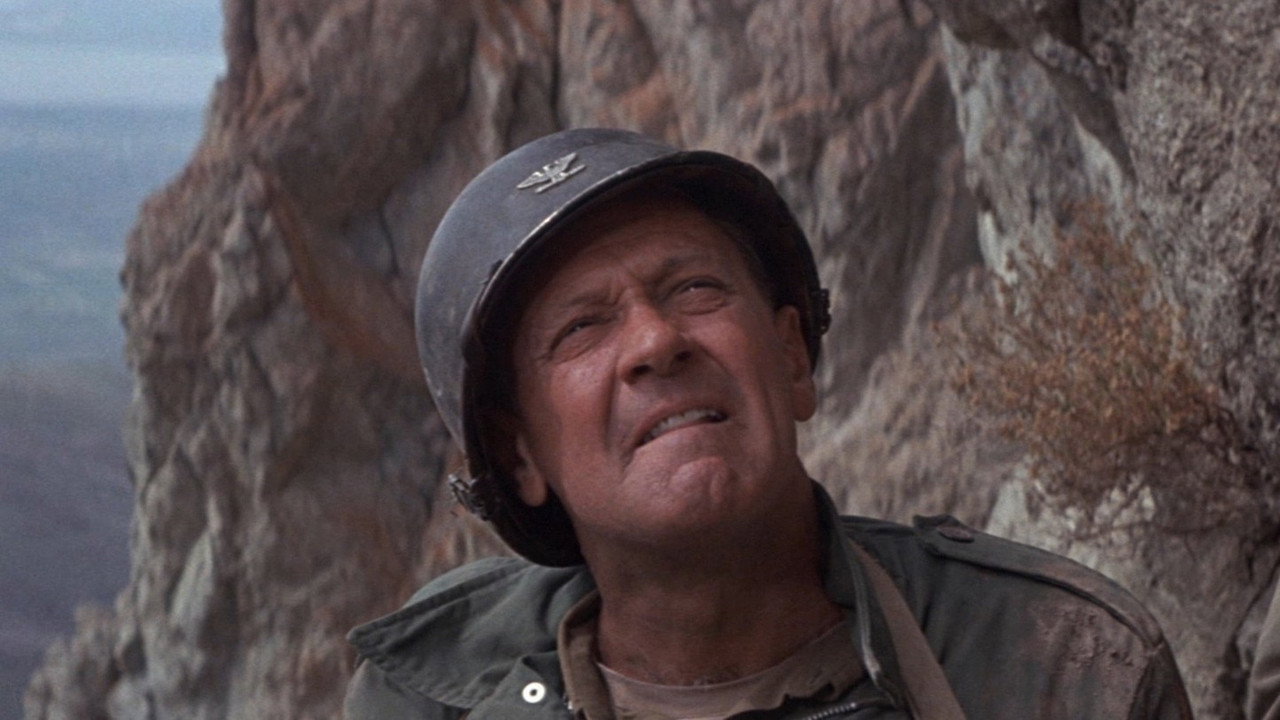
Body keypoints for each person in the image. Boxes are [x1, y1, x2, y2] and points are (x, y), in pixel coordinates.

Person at [343, 128, 1193, 719]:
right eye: (582, 328)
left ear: (790, 357)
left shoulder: (1064, 667)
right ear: (520, 455)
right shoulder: (429, 696)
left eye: (693, 289)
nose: (656, 341)